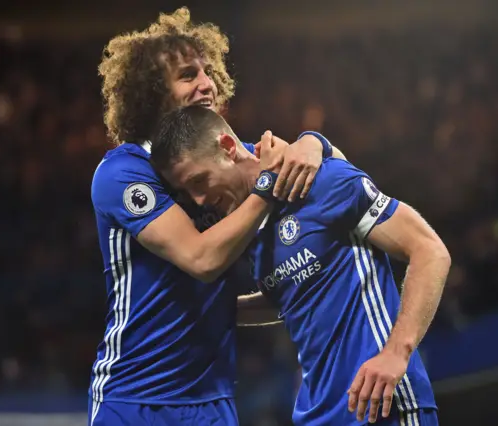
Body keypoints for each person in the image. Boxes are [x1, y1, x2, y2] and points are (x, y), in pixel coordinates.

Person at [89, 7, 348, 426]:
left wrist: (314, 145)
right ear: (152, 91)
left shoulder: (227, 156)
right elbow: (202, 259)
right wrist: (267, 184)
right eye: (188, 74)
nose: (206, 84)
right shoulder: (123, 171)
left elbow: (338, 175)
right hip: (135, 399)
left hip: (214, 404)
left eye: (208, 72)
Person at [150, 106, 451, 426]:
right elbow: (292, 294)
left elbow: (429, 251)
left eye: (199, 181)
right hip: (317, 413)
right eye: (186, 192)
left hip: (380, 403)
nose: (197, 200)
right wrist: (218, 309)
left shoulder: (319, 180)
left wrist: (397, 352)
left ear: (227, 147)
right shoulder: (247, 228)